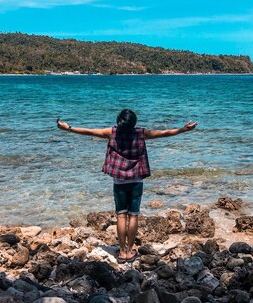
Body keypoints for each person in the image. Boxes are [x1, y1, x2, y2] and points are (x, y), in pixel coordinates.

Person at [57, 109, 197, 262]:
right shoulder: (141, 133)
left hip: (119, 181)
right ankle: (130, 251)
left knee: (121, 215)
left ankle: (122, 252)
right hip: (136, 180)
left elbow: (88, 131)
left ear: (119, 121)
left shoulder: (112, 132)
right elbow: (164, 133)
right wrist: (183, 129)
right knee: (134, 215)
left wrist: (68, 128)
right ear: (134, 122)